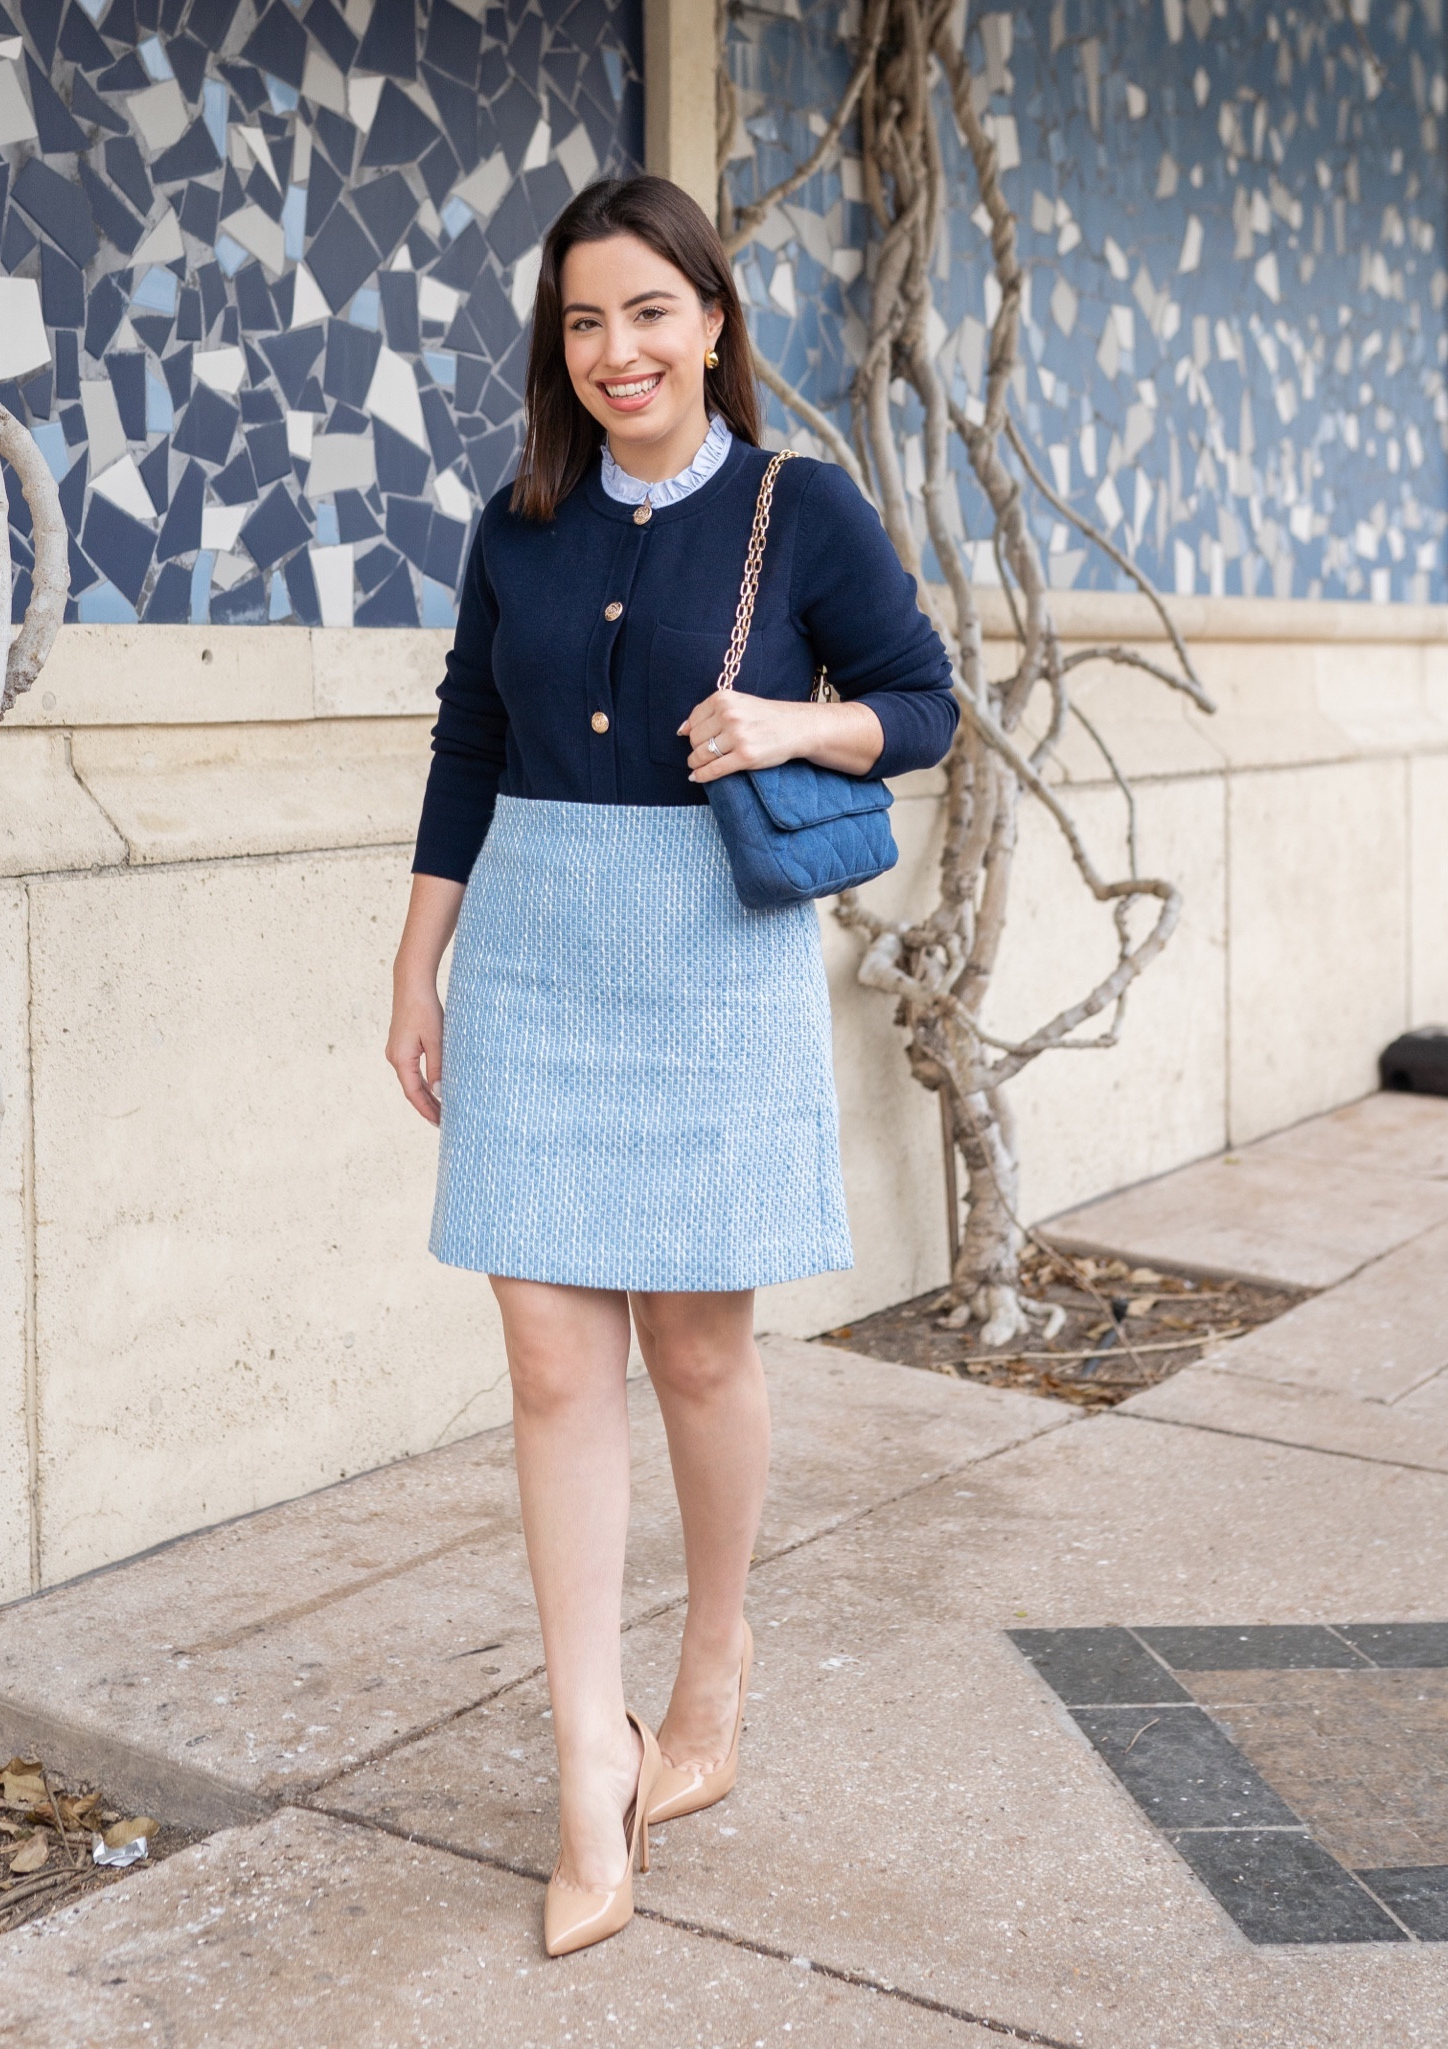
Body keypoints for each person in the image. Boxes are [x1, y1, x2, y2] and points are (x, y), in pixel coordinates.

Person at [386, 174, 956, 1957]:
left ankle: (710, 1667)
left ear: (713, 318)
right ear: (558, 348)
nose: (617, 349)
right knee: (555, 1368)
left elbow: (923, 703)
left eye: (648, 311)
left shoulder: (806, 509)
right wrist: (418, 964)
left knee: (700, 1348)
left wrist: (792, 718)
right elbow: (469, 740)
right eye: (582, 322)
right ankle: (583, 1763)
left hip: (715, 951)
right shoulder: (521, 518)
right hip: (544, 950)